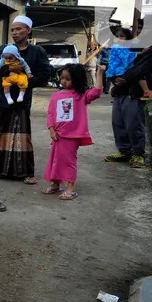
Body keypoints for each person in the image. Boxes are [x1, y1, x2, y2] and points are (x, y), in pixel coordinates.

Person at [0, 15, 50, 184]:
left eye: (19, 29)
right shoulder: (3, 49)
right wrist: (8, 71)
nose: (15, 33)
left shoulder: (37, 52)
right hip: (3, 98)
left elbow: (45, 73)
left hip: (22, 101)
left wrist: (26, 80)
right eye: (12, 30)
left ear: (28, 30)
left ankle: (25, 172)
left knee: (22, 136)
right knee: (1, 134)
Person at [105, 19, 152, 169]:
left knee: (134, 123)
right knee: (118, 122)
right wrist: (114, 79)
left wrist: (124, 79)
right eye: (141, 27)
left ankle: (138, 153)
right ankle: (124, 150)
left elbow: (141, 69)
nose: (141, 30)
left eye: (146, 28)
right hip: (120, 89)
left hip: (135, 91)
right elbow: (116, 61)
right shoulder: (130, 44)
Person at [43, 64, 104, 200]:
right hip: (58, 134)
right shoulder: (56, 95)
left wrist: (99, 73)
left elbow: (97, 92)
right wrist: (51, 130)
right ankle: (56, 183)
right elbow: (51, 114)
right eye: (62, 78)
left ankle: (71, 188)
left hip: (72, 135)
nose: (63, 81)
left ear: (76, 80)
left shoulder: (81, 96)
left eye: (68, 79)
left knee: (69, 161)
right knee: (56, 160)